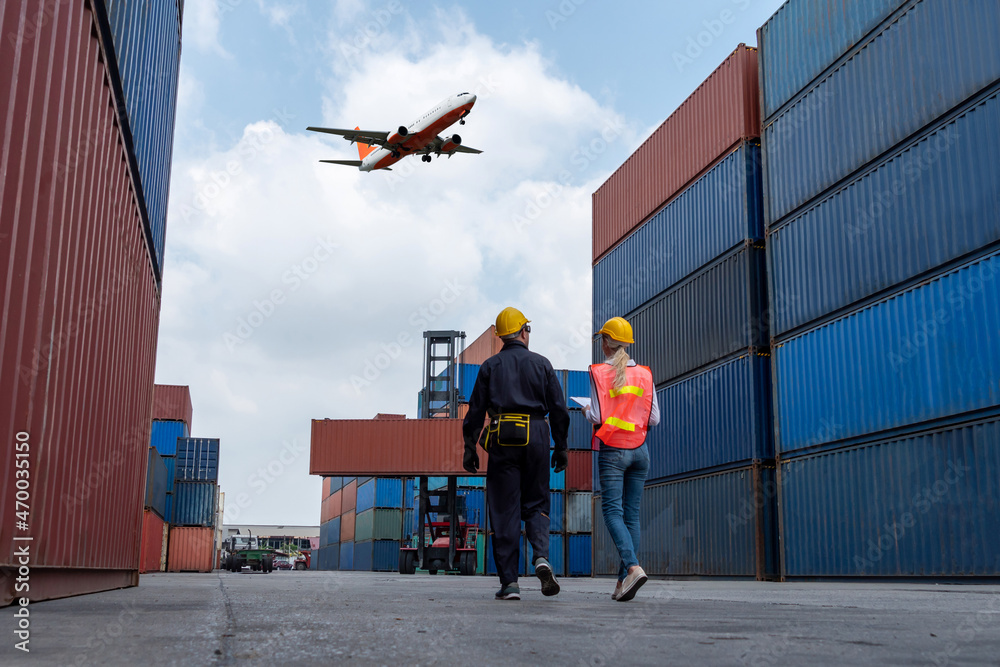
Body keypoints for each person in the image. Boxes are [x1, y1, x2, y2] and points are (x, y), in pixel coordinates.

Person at [462, 307, 571, 600]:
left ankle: (510, 583)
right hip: (536, 434)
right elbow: (560, 410)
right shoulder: (542, 364)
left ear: (500, 336)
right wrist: (560, 447)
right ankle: (541, 557)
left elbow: (475, 410)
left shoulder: (489, 366)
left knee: (504, 509)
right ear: (524, 332)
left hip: (503, 436)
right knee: (536, 502)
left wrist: (470, 447)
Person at [585, 316, 659, 602]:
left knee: (612, 513)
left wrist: (585, 411)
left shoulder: (600, 373)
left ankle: (632, 567)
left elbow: (597, 416)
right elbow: (654, 418)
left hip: (614, 451)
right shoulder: (645, 374)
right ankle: (621, 583)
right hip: (641, 451)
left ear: (605, 342)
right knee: (632, 516)